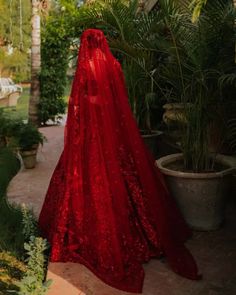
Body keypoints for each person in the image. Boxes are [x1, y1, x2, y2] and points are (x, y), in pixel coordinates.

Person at [39, 29, 201, 293]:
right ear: (103, 42)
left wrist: (88, 109)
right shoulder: (113, 65)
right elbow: (119, 101)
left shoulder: (85, 66)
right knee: (126, 177)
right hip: (115, 134)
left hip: (91, 134)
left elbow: (79, 102)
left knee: (85, 178)